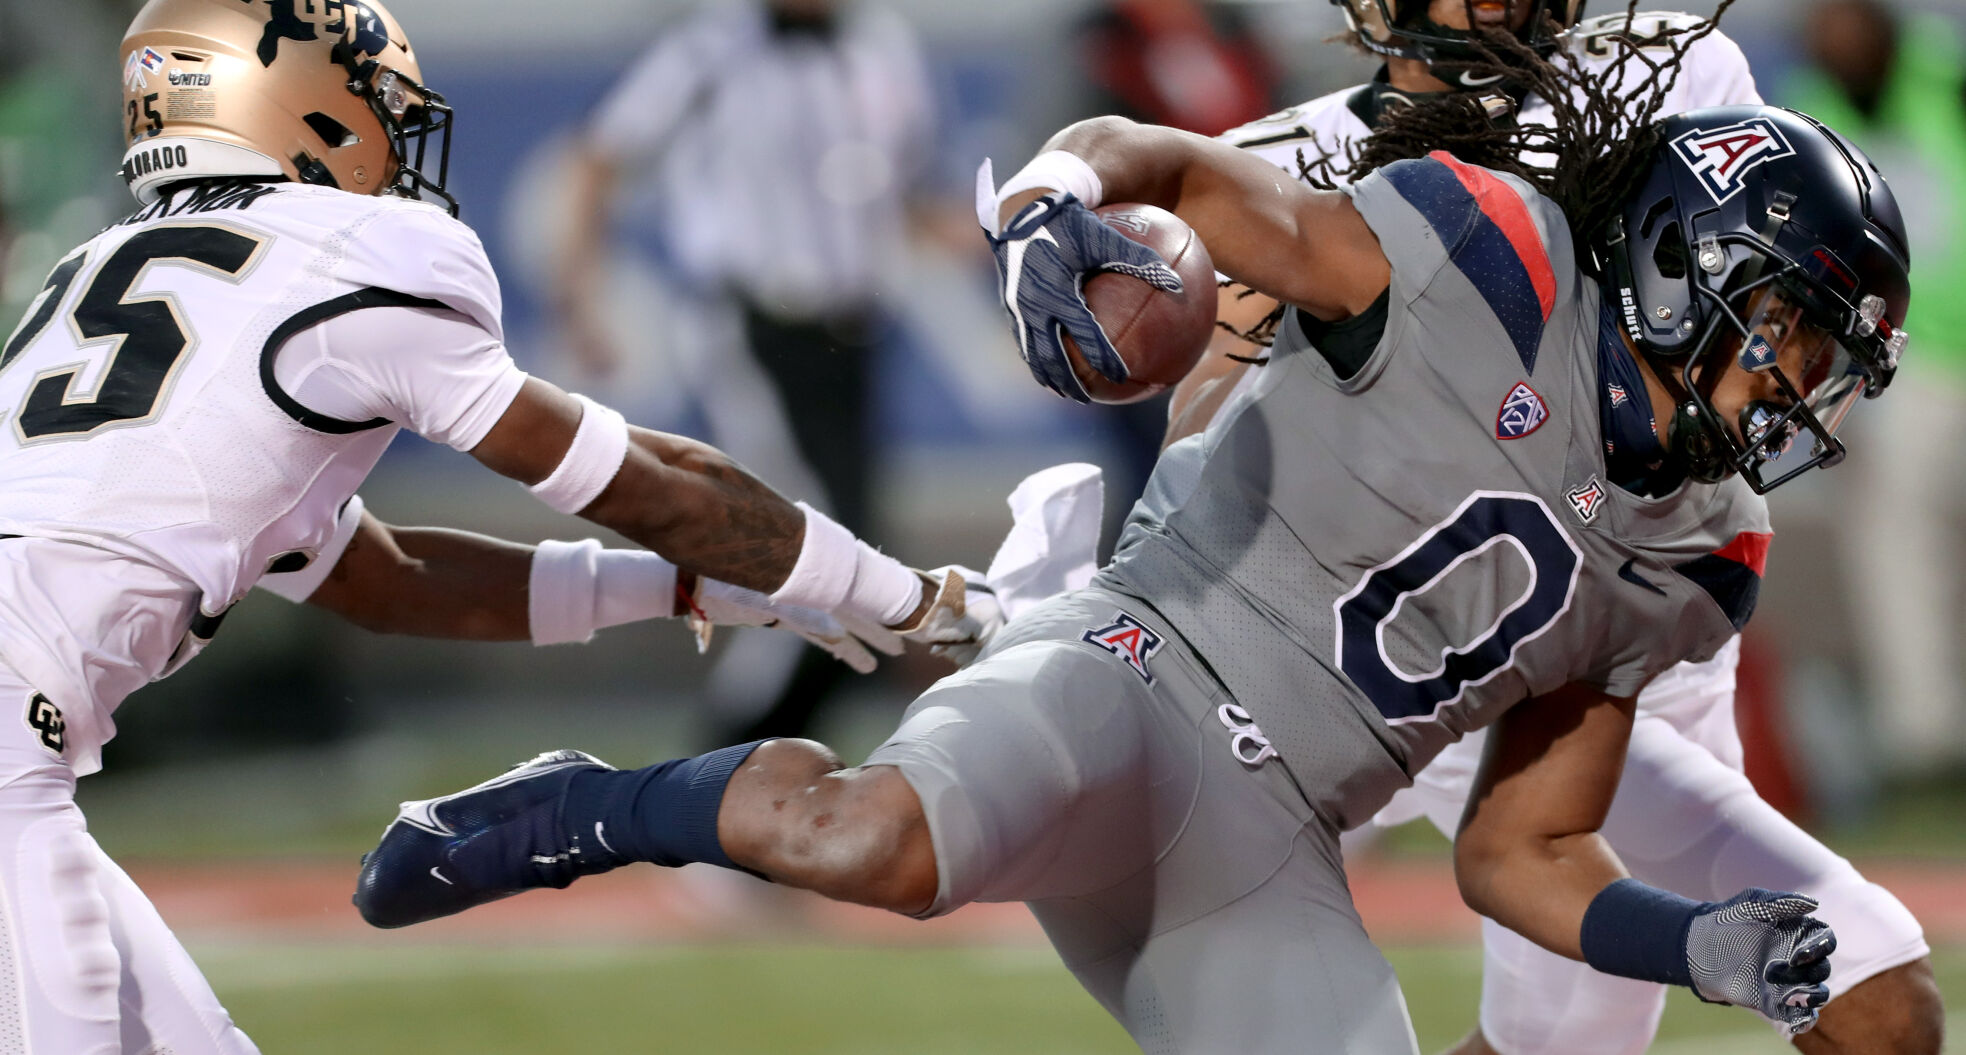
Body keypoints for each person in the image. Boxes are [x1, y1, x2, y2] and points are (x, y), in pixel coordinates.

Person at [357, 15, 1912, 1051]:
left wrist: (1703, 944)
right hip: (1144, 663)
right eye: (1787, 336)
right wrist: (1054, 208)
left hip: (1294, 811)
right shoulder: (1469, 236)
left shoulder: (1701, 543)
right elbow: (1163, 177)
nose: (1797, 389)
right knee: (869, 841)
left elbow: (1526, 846)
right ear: (1681, 258)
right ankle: (598, 805)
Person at [0, 1, 997, 1050]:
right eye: (372, 101)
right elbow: (649, 482)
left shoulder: (99, 273)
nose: (394, 135)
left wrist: (687, 585)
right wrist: (909, 599)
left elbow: (388, 576)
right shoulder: (345, 256)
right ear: (297, 104)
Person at [1149, 3, 1942, 1053]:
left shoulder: (1663, 64)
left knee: (1587, 1032)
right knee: (1858, 990)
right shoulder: (1284, 158)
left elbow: (1761, 308)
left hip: (1644, 628)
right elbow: (1203, 433)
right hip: (1442, 649)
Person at [550, 0, 937, 746]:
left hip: (854, 335)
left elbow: (913, 184)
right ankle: (723, 761)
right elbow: (598, 155)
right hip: (756, 328)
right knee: (812, 553)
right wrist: (579, 304)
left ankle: (767, 763)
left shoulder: (880, 44)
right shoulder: (711, 47)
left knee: (858, 554)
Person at [1785, 0, 1966, 775]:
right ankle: (1928, 738)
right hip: (1903, 356)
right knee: (1895, 541)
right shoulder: (1808, 108)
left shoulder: (1947, 76)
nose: (1836, 34)